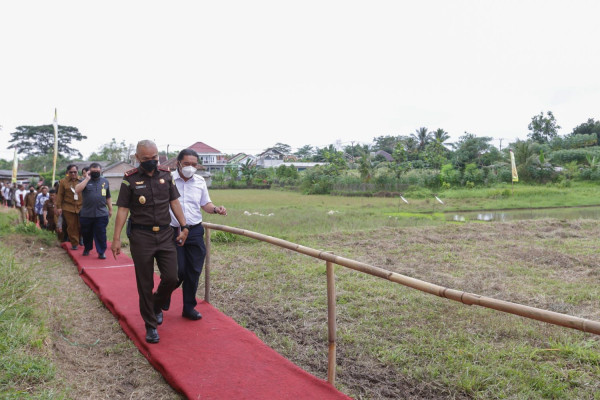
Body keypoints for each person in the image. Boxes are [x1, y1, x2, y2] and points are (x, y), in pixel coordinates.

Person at [111, 140, 190, 344]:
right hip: (141, 236)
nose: (151, 161)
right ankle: (150, 325)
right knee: (144, 282)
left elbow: (174, 202)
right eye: (146, 159)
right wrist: (116, 238)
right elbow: (122, 210)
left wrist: (184, 226)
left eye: (154, 158)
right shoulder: (130, 179)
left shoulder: (166, 175)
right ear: (137, 158)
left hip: (165, 234)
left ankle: (156, 305)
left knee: (172, 277)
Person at [165, 149, 227, 321]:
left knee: (193, 270)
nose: (190, 167)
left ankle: (188, 307)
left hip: (194, 231)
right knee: (178, 271)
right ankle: (163, 295)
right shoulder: (167, 179)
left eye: (194, 164)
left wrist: (215, 209)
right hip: (173, 231)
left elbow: (205, 203)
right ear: (178, 163)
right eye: (186, 164)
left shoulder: (200, 181)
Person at [75, 163, 112, 259]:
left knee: (101, 234)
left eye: (97, 171)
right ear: (89, 171)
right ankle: (87, 248)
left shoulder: (105, 181)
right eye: (93, 171)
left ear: (100, 170)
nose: (95, 172)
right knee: (86, 233)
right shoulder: (84, 180)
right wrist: (87, 179)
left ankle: (101, 252)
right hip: (87, 213)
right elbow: (77, 190)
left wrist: (110, 209)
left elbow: (108, 196)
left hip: (101, 213)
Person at [56, 165, 83, 249]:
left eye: (75, 172)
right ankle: (74, 243)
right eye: (71, 172)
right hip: (68, 207)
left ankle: (80, 237)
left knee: (81, 225)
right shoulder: (63, 182)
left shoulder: (82, 181)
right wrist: (59, 207)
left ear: (77, 172)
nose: (73, 174)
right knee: (71, 226)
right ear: (68, 173)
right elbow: (60, 195)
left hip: (81, 207)